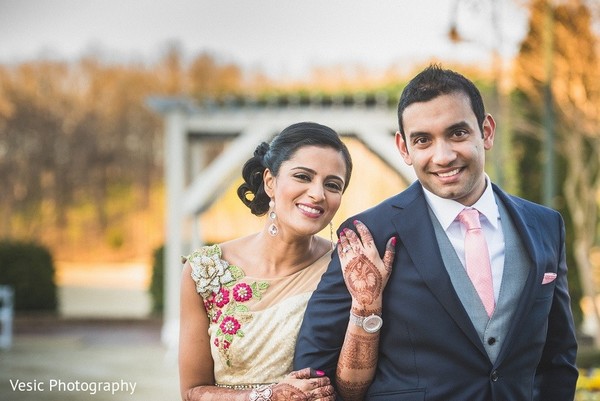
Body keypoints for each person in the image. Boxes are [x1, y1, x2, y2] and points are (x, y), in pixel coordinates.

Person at [294, 64, 579, 400]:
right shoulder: (369, 233)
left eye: (457, 133)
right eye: (423, 140)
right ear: (404, 148)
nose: (442, 156)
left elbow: (558, 357)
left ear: (486, 132)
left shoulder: (545, 225)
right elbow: (315, 371)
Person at [179, 121, 378, 401]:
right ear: (270, 181)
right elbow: (191, 392)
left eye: (332, 185)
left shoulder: (347, 269)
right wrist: (266, 396)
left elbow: (355, 388)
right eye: (302, 176)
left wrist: (368, 307)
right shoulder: (205, 271)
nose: (317, 194)